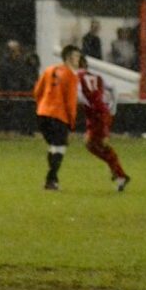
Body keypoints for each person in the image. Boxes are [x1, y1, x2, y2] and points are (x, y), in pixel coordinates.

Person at [70, 46, 129, 191]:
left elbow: (78, 95)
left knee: (98, 145)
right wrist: (113, 107)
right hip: (102, 112)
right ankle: (117, 172)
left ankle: (120, 175)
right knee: (91, 144)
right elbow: (113, 87)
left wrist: (86, 103)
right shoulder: (97, 77)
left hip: (96, 114)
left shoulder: (76, 77)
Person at [34, 45, 80, 191]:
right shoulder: (71, 76)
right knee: (60, 147)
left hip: (42, 114)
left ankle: (52, 180)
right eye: (76, 56)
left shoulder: (49, 70)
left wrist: (43, 105)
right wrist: (72, 121)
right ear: (68, 58)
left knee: (54, 146)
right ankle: (50, 180)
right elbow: (70, 101)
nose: (78, 59)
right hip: (58, 115)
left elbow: (37, 91)